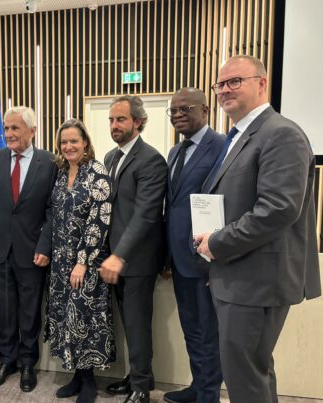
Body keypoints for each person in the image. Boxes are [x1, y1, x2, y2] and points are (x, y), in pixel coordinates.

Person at [195, 55, 321, 403]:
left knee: (246, 377)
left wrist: (218, 242)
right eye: (220, 84)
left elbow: (278, 209)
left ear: (262, 83)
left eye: (235, 81)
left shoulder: (281, 133)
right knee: (251, 373)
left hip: (257, 281)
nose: (224, 90)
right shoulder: (239, 135)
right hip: (237, 276)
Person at [0, 106, 57, 392]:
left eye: (15, 128)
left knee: (29, 312)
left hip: (33, 251)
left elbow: (52, 208)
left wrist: (45, 245)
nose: (8, 133)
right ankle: (7, 361)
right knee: (5, 311)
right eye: (6, 128)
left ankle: (27, 364)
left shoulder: (50, 162)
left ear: (32, 131)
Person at [99, 95, 167, 403]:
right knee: (129, 323)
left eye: (121, 119)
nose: (114, 125)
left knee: (138, 325)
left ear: (138, 121)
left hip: (136, 259)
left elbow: (145, 215)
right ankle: (139, 376)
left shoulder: (151, 160)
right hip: (115, 257)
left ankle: (141, 388)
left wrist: (119, 254)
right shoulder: (110, 157)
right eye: (111, 120)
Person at [45, 119, 115, 403]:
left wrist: (83, 261)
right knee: (66, 318)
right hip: (60, 262)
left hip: (87, 262)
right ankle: (76, 375)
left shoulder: (97, 172)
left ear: (85, 142)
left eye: (74, 141)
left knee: (85, 318)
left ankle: (88, 382)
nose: (68, 146)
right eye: (64, 142)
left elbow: (99, 221)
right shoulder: (61, 172)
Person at [163, 88, 225, 403]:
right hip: (179, 258)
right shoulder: (175, 152)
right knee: (191, 328)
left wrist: (218, 255)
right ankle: (198, 386)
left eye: (184, 109)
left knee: (209, 331)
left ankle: (209, 394)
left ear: (205, 110)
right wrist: (166, 255)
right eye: (173, 111)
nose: (177, 115)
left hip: (206, 257)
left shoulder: (222, 146)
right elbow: (172, 206)